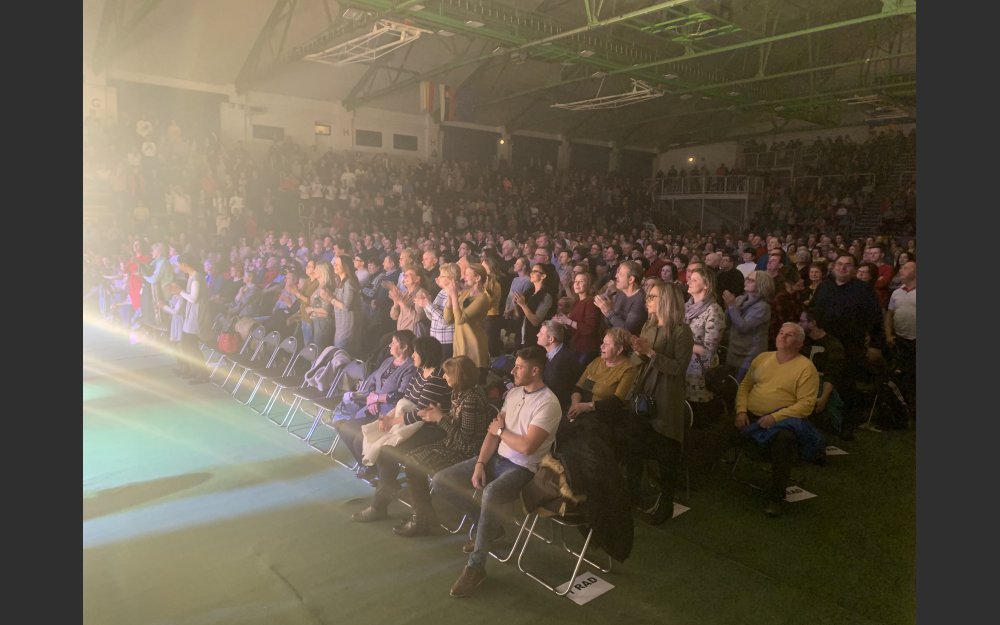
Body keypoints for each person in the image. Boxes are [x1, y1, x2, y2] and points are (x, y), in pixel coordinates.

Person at [434, 346, 562, 598]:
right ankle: (489, 528)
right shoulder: (513, 394)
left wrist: (502, 432)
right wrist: (480, 463)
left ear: (535, 370)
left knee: (490, 493)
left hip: (524, 469)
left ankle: (476, 567)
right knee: (441, 481)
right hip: (495, 459)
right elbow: (492, 434)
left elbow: (526, 447)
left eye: (520, 367)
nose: (513, 370)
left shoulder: (549, 403)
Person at [353, 355, 490, 537]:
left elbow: (464, 440)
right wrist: (439, 415)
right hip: (451, 442)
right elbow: (457, 423)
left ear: (458, 376)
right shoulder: (460, 392)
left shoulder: (472, 398)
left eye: (447, 374)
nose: (443, 376)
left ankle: (421, 518)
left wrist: (440, 418)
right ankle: (422, 515)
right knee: (405, 457)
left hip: (464, 451)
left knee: (412, 463)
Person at [625, 281, 694, 524]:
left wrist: (651, 353)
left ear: (666, 301)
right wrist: (639, 352)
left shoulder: (682, 331)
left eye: (653, 297)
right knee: (634, 446)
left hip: (666, 396)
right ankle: (633, 493)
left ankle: (666, 503)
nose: (648, 301)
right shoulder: (649, 325)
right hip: (643, 391)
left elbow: (678, 368)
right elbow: (637, 361)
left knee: (666, 452)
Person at [734, 322, 820, 517]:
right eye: (781, 333)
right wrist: (740, 411)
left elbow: (806, 404)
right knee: (717, 430)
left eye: (789, 335)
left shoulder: (806, 368)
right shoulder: (762, 358)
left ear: (799, 344)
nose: (782, 337)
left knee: (784, 441)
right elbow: (745, 386)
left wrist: (774, 417)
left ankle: (776, 497)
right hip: (749, 416)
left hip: (780, 421)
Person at [812, 254, 883, 440]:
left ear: (854, 269)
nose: (842, 268)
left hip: (850, 345)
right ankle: (823, 419)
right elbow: (813, 311)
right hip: (824, 343)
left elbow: (876, 319)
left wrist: (876, 345)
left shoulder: (863, 290)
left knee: (846, 385)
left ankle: (847, 424)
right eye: (839, 264)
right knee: (822, 381)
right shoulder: (824, 286)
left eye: (848, 265)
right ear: (833, 266)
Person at [330, 330, 418, 467]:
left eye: (394, 342)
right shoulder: (388, 361)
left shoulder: (411, 367)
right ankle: (364, 465)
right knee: (345, 429)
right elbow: (373, 381)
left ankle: (370, 465)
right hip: (371, 406)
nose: (390, 345)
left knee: (358, 437)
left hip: (389, 412)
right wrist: (372, 396)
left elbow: (402, 395)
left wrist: (378, 398)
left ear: (405, 347)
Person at [566, 326, 637, 456]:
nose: (601, 347)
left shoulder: (628, 369)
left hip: (607, 418)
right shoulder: (597, 361)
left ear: (619, 350)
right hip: (583, 411)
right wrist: (575, 405)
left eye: (607, 344)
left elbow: (617, 401)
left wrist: (586, 407)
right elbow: (579, 387)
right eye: (602, 343)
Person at [684, 267, 726, 417]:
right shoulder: (687, 307)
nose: (689, 282)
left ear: (706, 285)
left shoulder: (713, 310)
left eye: (694, 280)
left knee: (698, 411)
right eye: (690, 279)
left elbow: (709, 349)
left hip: (699, 368)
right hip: (683, 362)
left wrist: (683, 343)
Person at [800, 308, 847, 433]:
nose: (799, 324)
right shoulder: (802, 342)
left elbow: (832, 374)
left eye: (802, 321)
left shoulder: (833, 345)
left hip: (819, 385)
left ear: (812, 323)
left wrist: (824, 398)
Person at [722, 270, 774, 381]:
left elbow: (743, 327)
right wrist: (728, 309)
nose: (747, 281)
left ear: (761, 284)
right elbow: (728, 322)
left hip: (749, 355)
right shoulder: (739, 299)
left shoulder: (763, 307)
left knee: (740, 386)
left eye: (751, 280)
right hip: (734, 350)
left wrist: (731, 306)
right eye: (747, 278)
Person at [444, 262, 491, 380]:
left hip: (473, 345)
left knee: (473, 382)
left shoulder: (482, 299)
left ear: (477, 278)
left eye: (467, 274)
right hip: (460, 343)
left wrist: (454, 296)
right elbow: (448, 319)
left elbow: (460, 319)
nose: (464, 277)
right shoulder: (465, 293)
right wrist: (450, 298)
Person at [172, 254, 214, 384]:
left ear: (184, 264)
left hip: (197, 315)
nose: (178, 267)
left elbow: (194, 298)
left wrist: (180, 291)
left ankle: (203, 374)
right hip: (192, 314)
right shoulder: (192, 276)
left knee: (190, 345)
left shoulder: (196, 278)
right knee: (188, 344)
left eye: (179, 264)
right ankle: (194, 370)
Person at [884, 260, 916, 417]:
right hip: (900, 340)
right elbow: (889, 315)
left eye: (906, 268)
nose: (901, 270)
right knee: (902, 374)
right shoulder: (896, 293)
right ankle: (905, 407)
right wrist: (889, 334)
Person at [552, 270, 602, 365]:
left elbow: (589, 329)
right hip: (575, 345)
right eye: (575, 281)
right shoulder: (576, 302)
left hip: (587, 348)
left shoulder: (591, 302)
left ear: (588, 284)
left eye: (581, 281)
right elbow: (574, 327)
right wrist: (562, 321)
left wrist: (568, 321)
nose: (577, 284)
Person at [536, 320, 582, 413]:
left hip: (556, 407)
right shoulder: (548, 355)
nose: (537, 335)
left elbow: (558, 389)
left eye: (541, 333)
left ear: (551, 339)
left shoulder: (566, 360)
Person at [415, 263, 458, 360]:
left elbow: (445, 320)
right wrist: (426, 304)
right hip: (436, 339)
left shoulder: (455, 293)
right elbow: (432, 317)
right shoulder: (442, 291)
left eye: (442, 276)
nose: (438, 278)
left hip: (447, 341)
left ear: (451, 278)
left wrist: (428, 304)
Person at [595, 260, 647, 335]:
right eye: (617, 273)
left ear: (631, 279)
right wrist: (605, 310)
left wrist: (609, 312)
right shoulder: (620, 292)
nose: (616, 276)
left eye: (620, 274)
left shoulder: (640, 300)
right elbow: (610, 324)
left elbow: (628, 330)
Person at [511, 262, 556, 348]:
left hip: (534, 338)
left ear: (543, 276)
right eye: (531, 271)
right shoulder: (529, 292)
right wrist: (516, 303)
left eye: (535, 271)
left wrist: (523, 305)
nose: (531, 273)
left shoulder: (546, 296)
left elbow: (536, 321)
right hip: (521, 335)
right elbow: (518, 315)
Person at [328, 254, 362, 354]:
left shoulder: (349, 282)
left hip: (347, 324)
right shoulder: (340, 281)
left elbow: (346, 306)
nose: (335, 266)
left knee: (341, 351)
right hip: (340, 322)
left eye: (338, 264)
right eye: (334, 264)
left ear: (345, 266)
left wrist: (330, 298)